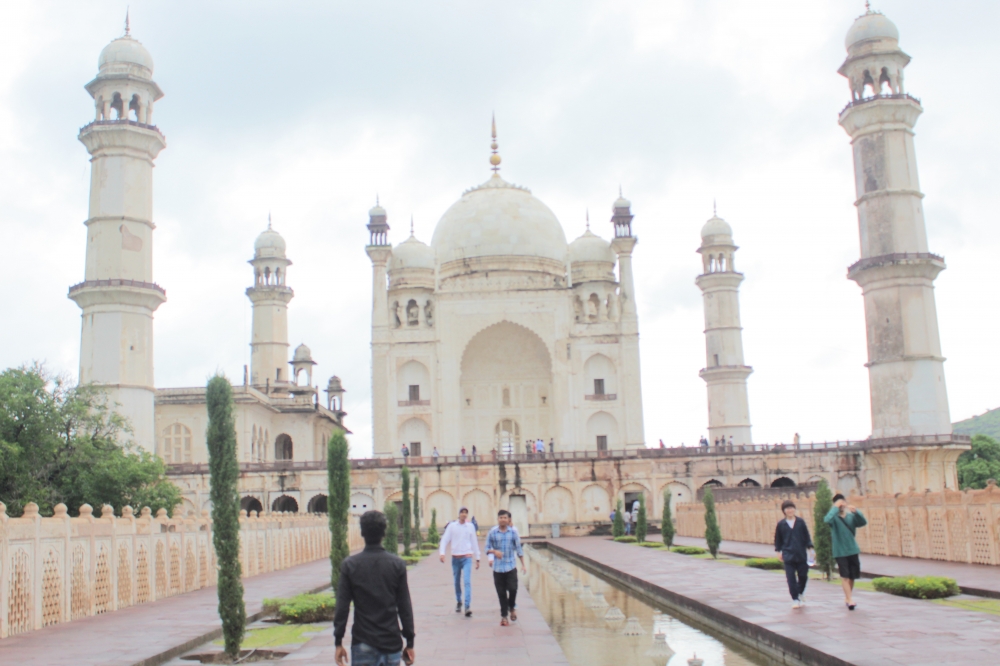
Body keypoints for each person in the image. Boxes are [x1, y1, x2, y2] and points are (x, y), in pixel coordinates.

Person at [334, 510, 415, 666]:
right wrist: (410, 642)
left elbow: (342, 607)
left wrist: (338, 641)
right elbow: (404, 606)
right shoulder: (396, 564)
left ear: (362, 533)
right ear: (384, 532)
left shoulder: (350, 565)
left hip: (363, 641)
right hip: (391, 642)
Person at [824, 493, 867, 610]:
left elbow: (863, 522)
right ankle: (850, 599)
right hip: (840, 551)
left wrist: (856, 512)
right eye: (839, 503)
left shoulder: (850, 517)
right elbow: (826, 519)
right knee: (845, 576)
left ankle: (848, 597)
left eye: (843, 502)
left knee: (852, 575)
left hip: (852, 549)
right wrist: (835, 508)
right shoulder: (834, 518)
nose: (842, 505)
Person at [485, 510, 526, 626]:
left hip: (510, 566)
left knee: (513, 589)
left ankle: (511, 607)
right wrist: (494, 551)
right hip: (498, 568)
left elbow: (519, 549)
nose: (503, 519)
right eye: (501, 518)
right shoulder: (492, 532)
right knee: (501, 593)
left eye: (505, 518)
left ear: (508, 520)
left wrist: (523, 564)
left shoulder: (513, 533)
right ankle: (504, 616)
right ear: (498, 519)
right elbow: (486, 548)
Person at [438, 507, 481, 616]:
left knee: (467, 581)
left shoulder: (470, 527)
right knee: (457, 581)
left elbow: (474, 541)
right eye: (462, 512)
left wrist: (478, 557)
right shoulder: (452, 526)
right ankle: (459, 601)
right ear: (459, 514)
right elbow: (445, 539)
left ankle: (467, 606)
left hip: (467, 557)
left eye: (465, 513)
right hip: (456, 557)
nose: (464, 514)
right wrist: (442, 553)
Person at [774, 500, 813, 609]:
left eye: (791, 508)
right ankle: (795, 599)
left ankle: (800, 593)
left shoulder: (800, 522)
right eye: (787, 508)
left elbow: (806, 536)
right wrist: (779, 551)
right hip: (788, 555)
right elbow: (778, 539)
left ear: (794, 509)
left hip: (801, 554)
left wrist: (811, 549)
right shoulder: (781, 524)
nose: (790, 510)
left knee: (803, 576)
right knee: (790, 578)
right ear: (784, 511)